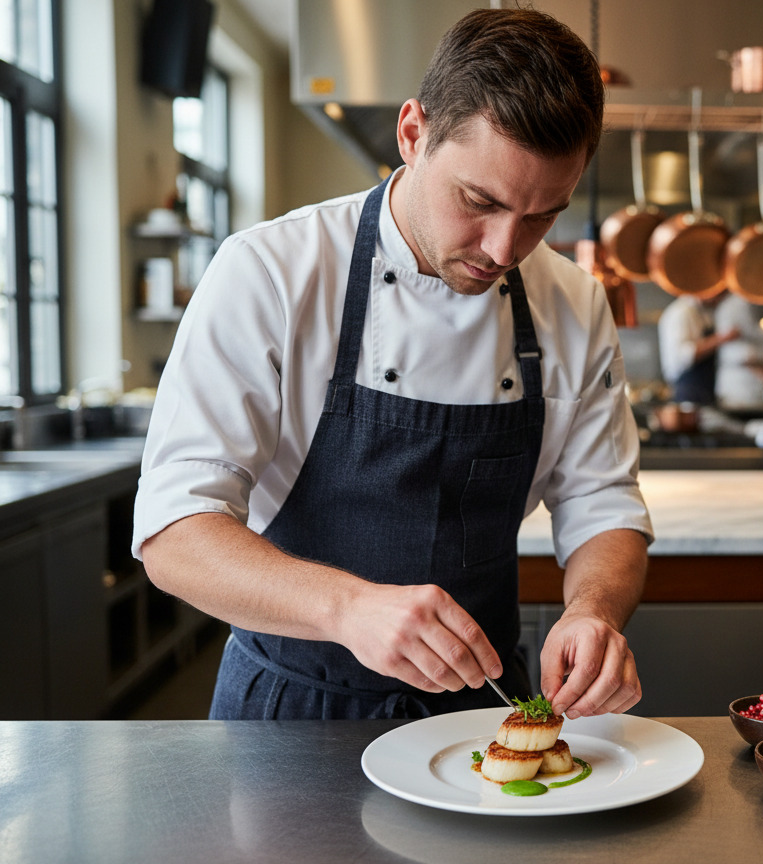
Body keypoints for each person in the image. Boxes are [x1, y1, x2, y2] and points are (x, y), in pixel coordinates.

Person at [132, 9, 653, 721]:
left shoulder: (573, 299)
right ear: (413, 134)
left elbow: (604, 505)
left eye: (542, 216)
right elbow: (175, 534)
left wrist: (594, 611)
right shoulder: (271, 271)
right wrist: (345, 607)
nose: (505, 248)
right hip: (291, 710)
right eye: (481, 201)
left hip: (485, 713)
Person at [656, 292, 740, 405]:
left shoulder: (705, 312)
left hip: (707, 388)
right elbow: (684, 355)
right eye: (718, 294)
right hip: (688, 388)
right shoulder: (681, 312)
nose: (719, 299)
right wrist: (722, 338)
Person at [712, 292, 763, 417]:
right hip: (740, 389)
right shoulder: (734, 305)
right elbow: (744, 354)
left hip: (758, 388)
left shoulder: (753, 302)